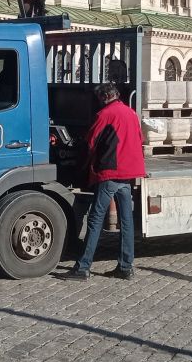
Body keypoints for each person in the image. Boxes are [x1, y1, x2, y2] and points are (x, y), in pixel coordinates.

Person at [62, 83, 147, 281]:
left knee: (95, 220)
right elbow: (139, 138)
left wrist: (79, 168)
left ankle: (83, 267)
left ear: (103, 97)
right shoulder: (131, 113)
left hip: (110, 173)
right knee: (126, 222)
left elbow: (90, 142)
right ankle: (126, 267)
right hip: (129, 173)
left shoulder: (105, 115)